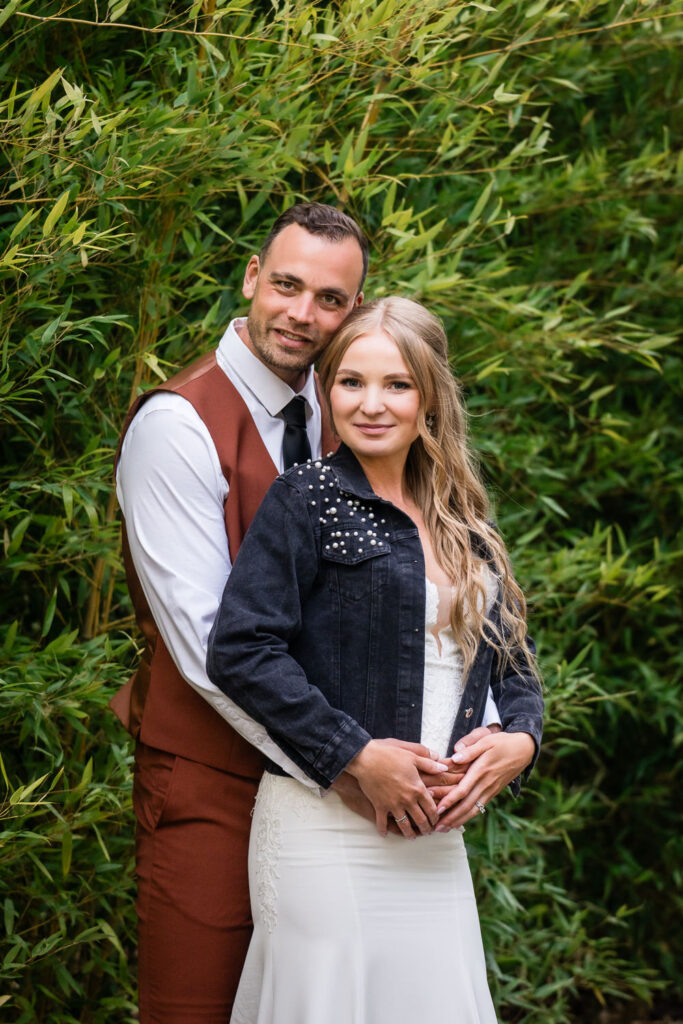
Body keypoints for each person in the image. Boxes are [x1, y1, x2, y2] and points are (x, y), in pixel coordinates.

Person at [207, 296, 545, 1023]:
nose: (369, 404)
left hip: (433, 838)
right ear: (325, 392)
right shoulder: (306, 499)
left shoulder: (465, 519)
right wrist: (355, 754)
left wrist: (520, 740)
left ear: (428, 396)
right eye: (349, 382)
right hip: (325, 830)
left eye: (394, 384)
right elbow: (240, 650)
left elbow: (514, 664)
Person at [112, 203, 373, 1023]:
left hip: (327, 788)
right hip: (210, 786)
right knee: (197, 1009)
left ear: (352, 311)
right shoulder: (177, 426)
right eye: (287, 285)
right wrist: (345, 764)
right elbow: (208, 652)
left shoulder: (351, 413)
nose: (303, 315)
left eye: (329, 299)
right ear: (252, 278)